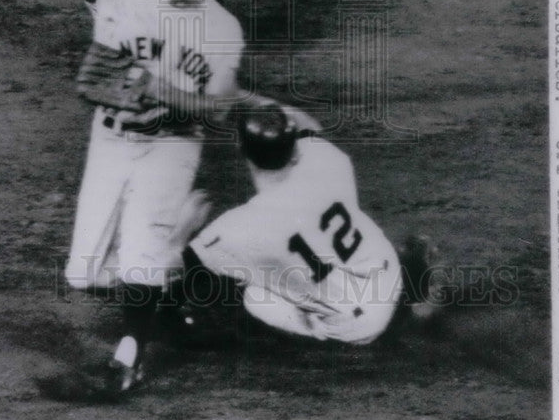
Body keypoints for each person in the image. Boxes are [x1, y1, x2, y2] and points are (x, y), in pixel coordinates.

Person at [2, 0, 246, 399]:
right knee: (89, 274)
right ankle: (176, 282)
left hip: (172, 145)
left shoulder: (222, 28)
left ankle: (128, 359)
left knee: (140, 257)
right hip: (111, 140)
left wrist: (164, 93)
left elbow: (219, 107)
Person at [162, 105, 437, 349]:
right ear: (294, 150)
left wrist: (179, 233)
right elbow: (307, 125)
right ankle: (409, 282)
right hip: (389, 275)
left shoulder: (236, 228)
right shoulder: (325, 160)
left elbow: (173, 265)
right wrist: (259, 105)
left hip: (359, 326)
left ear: (242, 152)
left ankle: (313, 334)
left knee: (252, 295)